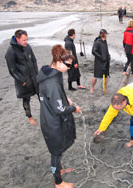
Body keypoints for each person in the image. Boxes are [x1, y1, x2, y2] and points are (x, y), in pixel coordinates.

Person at [37, 45, 81, 188]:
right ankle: (58, 182)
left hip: (50, 117)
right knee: (56, 153)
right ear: (59, 62)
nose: (69, 68)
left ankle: (60, 170)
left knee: (59, 150)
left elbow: (51, 95)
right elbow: (59, 109)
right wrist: (74, 108)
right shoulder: (52, 82)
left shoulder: (50, 73)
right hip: (52, 123)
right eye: (67, 65)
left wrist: (64, 97)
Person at [5, 29, 39, 125]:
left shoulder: (28, 47)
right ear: (17, 39)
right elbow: (12, 70)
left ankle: (47, 112)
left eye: (27, 39)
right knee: (26, 100)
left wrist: (37, 73)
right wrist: (22, 80)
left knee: (41, 95)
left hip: (33, 76)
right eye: (24, 40)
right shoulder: (10, 52)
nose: (26, 42)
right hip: (24, 81)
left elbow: (34, 60)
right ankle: (30, 117)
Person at [90, 29, 111, 94]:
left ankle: (105, 88)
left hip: (106, 61)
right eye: (106, 34)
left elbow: (105, 50)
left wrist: (108, 56)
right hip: (99, 62)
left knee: (106, 76)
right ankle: (92, 88)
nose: (107, 35)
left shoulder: (104, 41)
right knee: (96, 76)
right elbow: (93, 51)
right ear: (103, 34)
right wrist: (101, 57)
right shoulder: (97, 42)